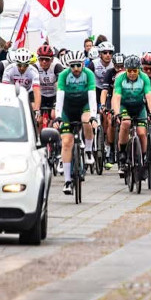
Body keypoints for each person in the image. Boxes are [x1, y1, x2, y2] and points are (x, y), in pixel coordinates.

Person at [54, 50, 98, 194]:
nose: (76, 69)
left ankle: (89, 151)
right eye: (72, 66)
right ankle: (67, 181)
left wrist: (93, 116)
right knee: (67, 142)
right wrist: (59, 116)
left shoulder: (88, 74)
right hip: (68, 108)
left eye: (78, 65)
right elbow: (59, 97)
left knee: (86, 120)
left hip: (83, 106)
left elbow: (92, 96)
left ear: (83, 64)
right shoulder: (63, 76)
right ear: (68, 67)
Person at [112, 55, 151, 178]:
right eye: (129, 71)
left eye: (134, 71)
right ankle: (122, 155)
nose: (131, 73)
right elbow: (116, 97)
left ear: (138, 70)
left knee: (142, 133)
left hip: (139, 107)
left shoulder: (144, 78)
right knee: (125, 123)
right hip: (125, 107)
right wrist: (117, 113)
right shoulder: (120, 78)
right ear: (125, 70)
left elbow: (149, 96)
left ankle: (144, 156)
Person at [1, 48, 42, 117]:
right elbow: (4, 89)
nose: (22, 68)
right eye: (19, 65)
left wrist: (37, 110)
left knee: (34, 112)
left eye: (25, 65)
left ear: (29, 64)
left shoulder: (33, 71)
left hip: (28, 91)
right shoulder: (9, 69)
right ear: (16, 62)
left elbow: (37, 91)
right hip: (12, 91)